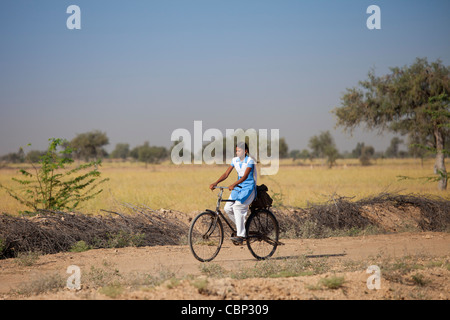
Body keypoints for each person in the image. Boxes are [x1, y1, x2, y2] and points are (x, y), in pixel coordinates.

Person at [209, 142, 257, 244]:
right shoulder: (234, 160)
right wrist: (216, 182)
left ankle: (241, 235)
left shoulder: (250, 161)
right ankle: (242, 228)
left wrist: (234, 184)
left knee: (237, 207)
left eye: (239, 151)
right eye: (236, 151)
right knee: (227, 208)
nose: (237, 152)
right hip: (239, 188)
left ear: (245, 151)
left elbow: (244, 176)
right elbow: (226, 173)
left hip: (248, 188)